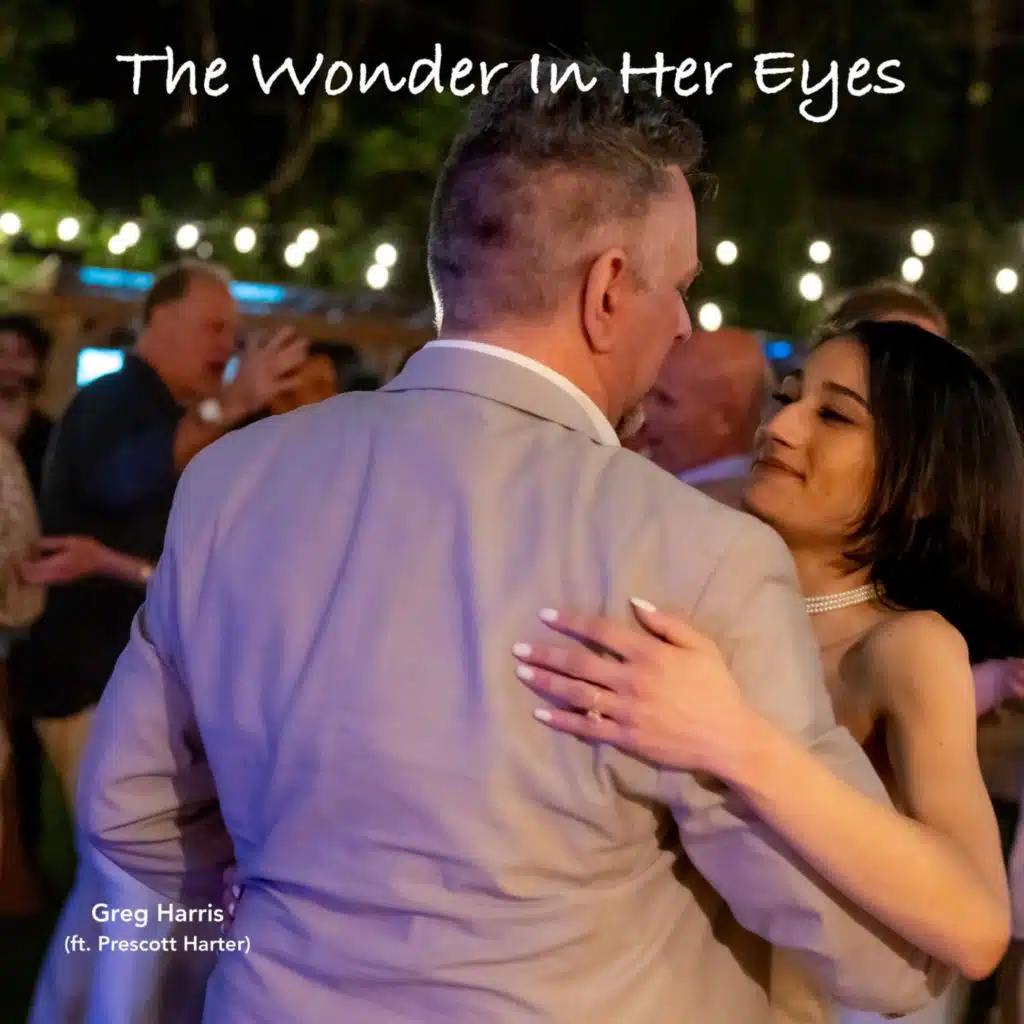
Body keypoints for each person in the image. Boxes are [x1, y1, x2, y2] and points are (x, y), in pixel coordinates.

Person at [76, 61, 938, 1022]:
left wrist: (299, 893)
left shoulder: (234, 482)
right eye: (680, 287)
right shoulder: (696, 553)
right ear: (608, 290)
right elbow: (874, 947)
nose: (684, 323)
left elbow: (131, 804)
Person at [514, 319, 1017, 1021]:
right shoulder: (697, 558)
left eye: (834, 416)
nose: (780, 428)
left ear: (925, 481)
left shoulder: (906, 647)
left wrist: (734, 741)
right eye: (787, 397)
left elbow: (977, 926)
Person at [27, 262, 308, 1024]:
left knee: (132, 887)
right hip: (93, 678)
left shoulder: (185, 414)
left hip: (140, 685)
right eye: (214, 328)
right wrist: (236, 401)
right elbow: (125, 478)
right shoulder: (114, 402)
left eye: (233, 332)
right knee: (134, 880)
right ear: (159, 320)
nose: (227, 346)